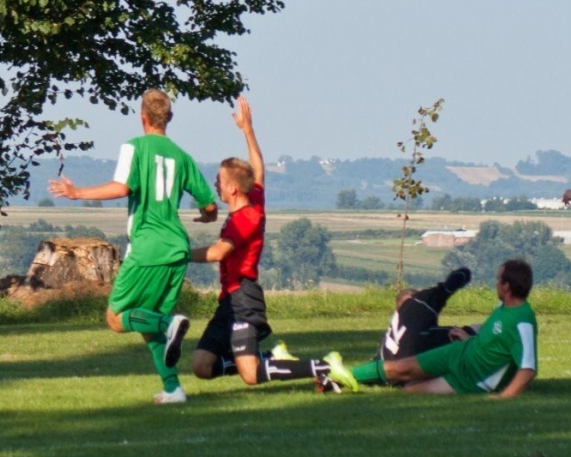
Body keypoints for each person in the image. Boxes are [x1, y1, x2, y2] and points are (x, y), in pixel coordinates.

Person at [48, 88, 218, 404]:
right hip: (177, 249)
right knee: (147, 324)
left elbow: (122, 186)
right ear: (169, 118)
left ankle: (171, 324)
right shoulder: (182, 156)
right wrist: (207, 219)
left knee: (116, 317)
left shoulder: (135, 147)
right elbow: (209, 206)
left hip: (148, 247)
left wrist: (77, 193)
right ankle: (173, 390)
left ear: (142, 118)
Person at [188, 96, 357, 393]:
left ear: (233, 188)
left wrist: (178, 255)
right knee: (202, 365)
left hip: (244, 300)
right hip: (228, 301)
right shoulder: (253, 199)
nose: (215, 185)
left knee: (250, 376)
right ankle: (270, 358)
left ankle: (324, 366)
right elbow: (258, 169)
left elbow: (218, 252)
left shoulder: (247, 217)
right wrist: (247, 130)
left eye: (219, 180)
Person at [349, 259, 537, 398]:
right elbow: (493, 343)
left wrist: (505, 396)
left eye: (498, 280)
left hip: (469, 379)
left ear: (507, 286)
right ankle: (338, 375)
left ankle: (340, 376)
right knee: (401, 368)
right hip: (457, 353)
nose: (495, 284)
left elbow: (528, 368)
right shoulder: (503, 307)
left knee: (409, 391)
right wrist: (468, 340)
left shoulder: (523, 322)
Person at [366, 267, 476, 386]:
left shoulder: (389, 342)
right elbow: (449, 285)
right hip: (406, 373)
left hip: (391, 374)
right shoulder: (421, 312)